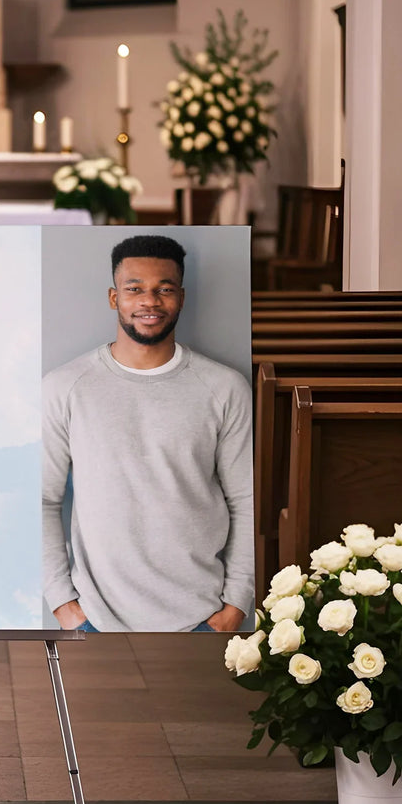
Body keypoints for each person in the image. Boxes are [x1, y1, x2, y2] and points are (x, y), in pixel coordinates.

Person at [42, 234, 254, 633]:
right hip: (94, 622)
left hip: (204, 621)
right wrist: (62, 604)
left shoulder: (224, 387)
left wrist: (236, 605)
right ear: (113, 297)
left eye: (164, 290)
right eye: (134, 289)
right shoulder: (65, 386)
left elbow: (246, 501)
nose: (149, 302)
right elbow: (42, 499)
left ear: (182, 298)